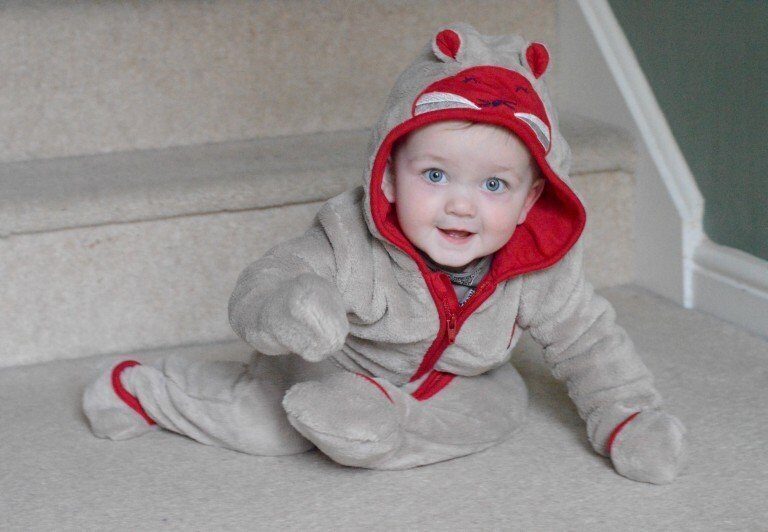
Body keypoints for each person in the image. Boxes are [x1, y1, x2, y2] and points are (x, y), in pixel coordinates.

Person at [83, 23, 688, 484]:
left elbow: (589, 341)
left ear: (532, 199)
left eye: (494, 186)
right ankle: (145, 389)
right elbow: (269, 279)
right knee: (264, 425)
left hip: (452, 379)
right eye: (434, 175)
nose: (461, 207)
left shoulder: (538, 268)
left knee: (495, 411)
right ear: (389, 176)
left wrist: (624, 415)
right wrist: (294, 304)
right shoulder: (351, 239)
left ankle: (374, 418)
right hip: (329, 362)